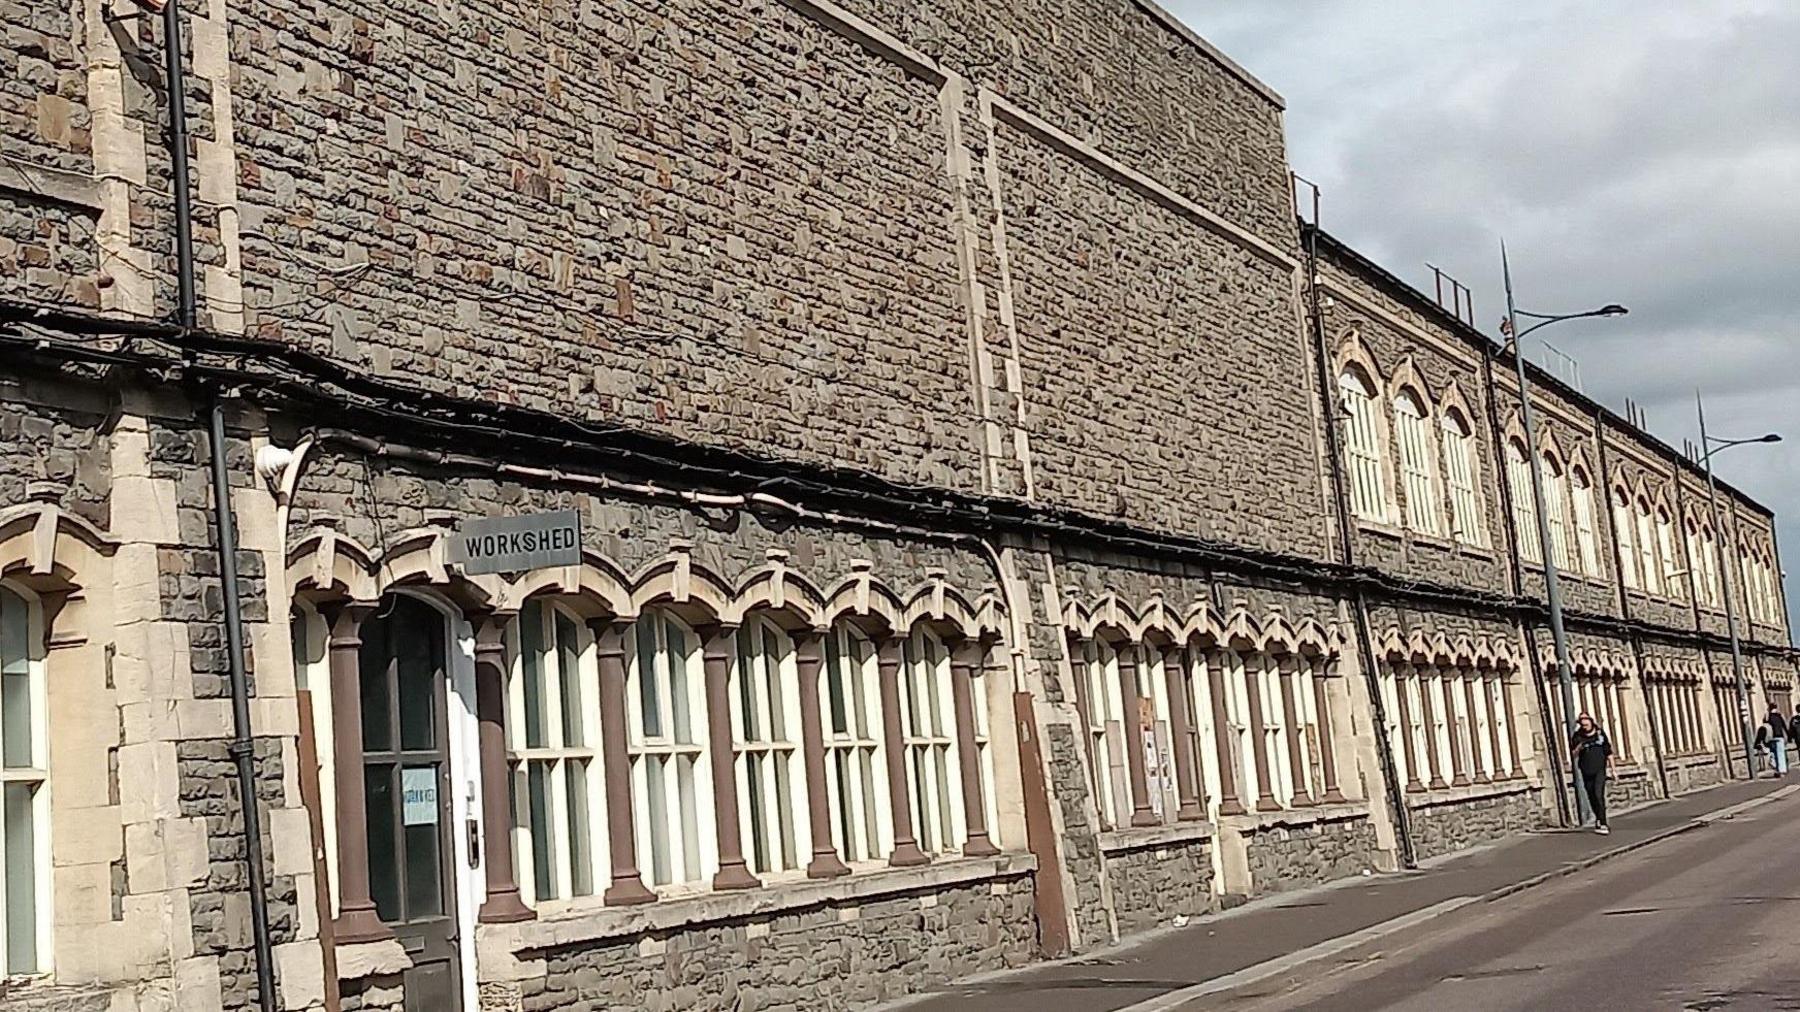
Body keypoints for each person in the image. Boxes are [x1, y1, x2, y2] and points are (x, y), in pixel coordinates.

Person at [1569, 712, 1612, 834]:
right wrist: (1579, 747)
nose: (1585, 726)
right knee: (1591, 796)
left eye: (1586, 723)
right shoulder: (1578, 736)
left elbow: (1608, 751)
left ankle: (1603, 823)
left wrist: (1613, 769)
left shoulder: (1600, 734)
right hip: (1586, 769)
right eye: (1582, 724)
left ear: (1591, 721)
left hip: (1600, 769)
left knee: (1599, 794)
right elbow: (1573, 753)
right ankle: (1598, 817)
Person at [1766, 704, 1789, 776]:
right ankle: (1781, 770)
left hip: (1771, 737)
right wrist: (1788, 736)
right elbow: (1784, 726)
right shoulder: (1779, 716)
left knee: (1773, 754)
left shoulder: (1768, 716)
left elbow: (1766, 725)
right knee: (1780, 754)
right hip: (1780, 736)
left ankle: (1777, 769)